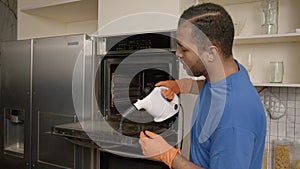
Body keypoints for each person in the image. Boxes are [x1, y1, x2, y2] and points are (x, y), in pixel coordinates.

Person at [139, 2, 266, 169]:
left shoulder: (234, 115)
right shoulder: (230, 74)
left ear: (211, 53)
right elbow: (215, 89)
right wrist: (182, 85)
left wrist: (170, 156)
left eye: (184, 49)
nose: (177, 54)